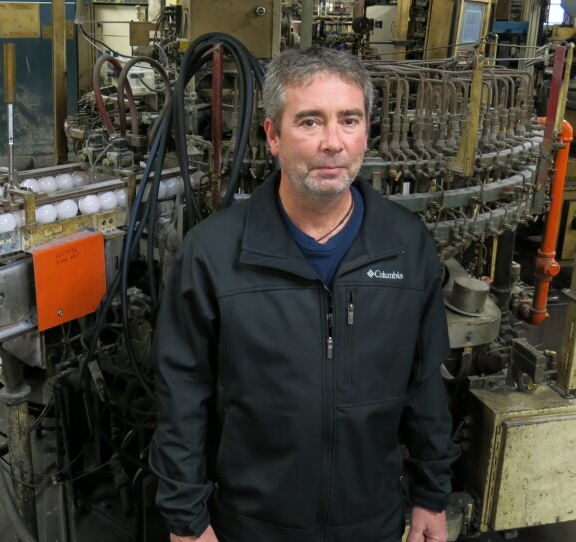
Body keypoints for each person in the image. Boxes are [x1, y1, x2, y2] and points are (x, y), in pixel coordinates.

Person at [149, 46, 459, 542]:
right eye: (310, 122)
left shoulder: (406, 248)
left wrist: (430, 494)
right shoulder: (213, 254)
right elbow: (182, 396)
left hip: (371, 520)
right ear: (273, 135)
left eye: (349, 120)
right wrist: (187, 520)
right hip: (250, 524)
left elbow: (425, 385)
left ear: (366, 133)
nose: (332, 143)